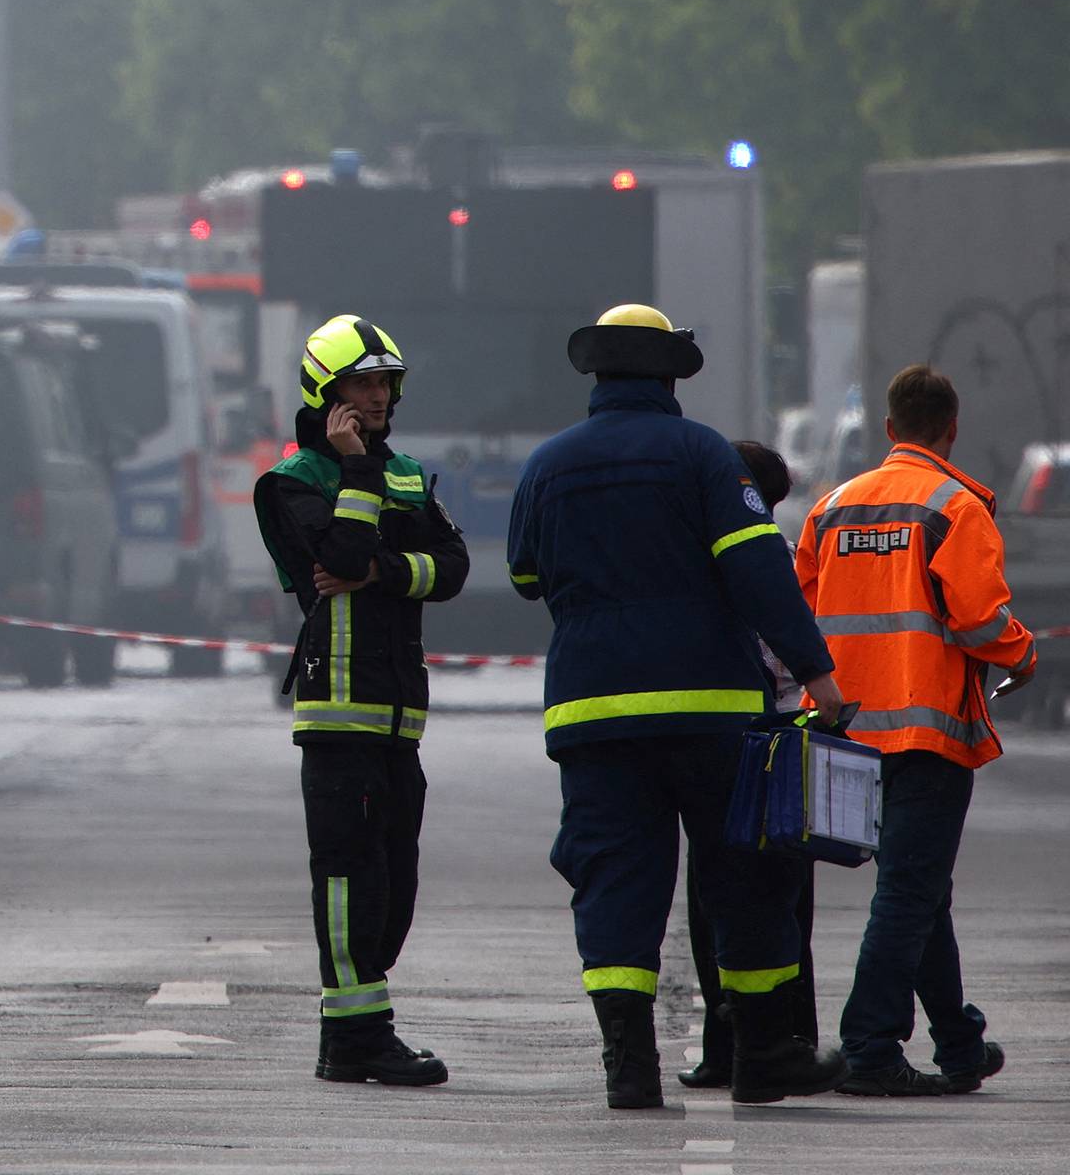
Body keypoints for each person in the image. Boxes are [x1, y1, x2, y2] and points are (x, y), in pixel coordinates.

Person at [507, 303, 849, 1109]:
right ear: (669, 374)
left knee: (614, 884)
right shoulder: (703, 456)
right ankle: (765, 1056)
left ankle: (629, 1066)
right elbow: (758, 571)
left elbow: (527, 577)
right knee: (744, 878)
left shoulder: (549, 465)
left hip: (593, 714)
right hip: (709, 712)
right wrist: (817, 673)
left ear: (597, 373)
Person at [796, 363, 1036, 1097]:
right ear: (951, 429)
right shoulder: (955, 507)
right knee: (909, 889)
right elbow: (978, 617)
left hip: (844, 734)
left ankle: (960, 1043)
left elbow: (800, 609)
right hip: (926, 735)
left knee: (921, 889)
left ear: (890, 430)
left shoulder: (832, 507)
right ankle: (870, 1046)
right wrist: (1023, 654)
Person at [253, 314, 469, 1087]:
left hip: (399, 714)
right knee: (350, 874)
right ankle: (354, 1036)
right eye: (362, 383)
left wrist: (381, 572)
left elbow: (450, 568)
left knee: (396, 879)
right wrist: (357, 476)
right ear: (326, 390)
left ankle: (359, 1022)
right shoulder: (292, 482)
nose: (378, 395)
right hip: (337, 709)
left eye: (385, 382)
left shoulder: (406, 471)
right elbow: (337, 551)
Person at [680, 440, 818, 1090]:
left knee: (710, 896)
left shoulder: (692, 560)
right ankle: (787, 1040)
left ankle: (720, 1045)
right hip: (780, 736)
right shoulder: (775, 559)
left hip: (714, 736)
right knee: (780, 897)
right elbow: (792, 652)